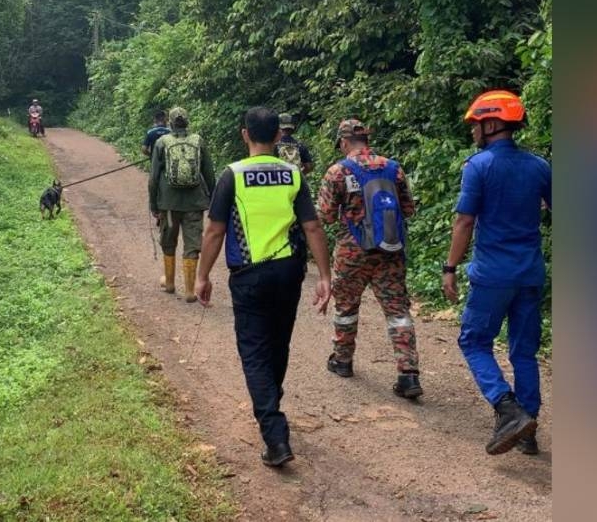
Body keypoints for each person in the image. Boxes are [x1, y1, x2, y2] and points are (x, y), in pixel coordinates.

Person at [195, 106, 332, 468]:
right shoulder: (292, 174)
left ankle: (274, 434)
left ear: (244, 135)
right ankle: (271, 399)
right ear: (277, 136)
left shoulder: (232, 176)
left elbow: (214, 230)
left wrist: (202, 275)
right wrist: (326, 276)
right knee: (278, 342)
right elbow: (313, 227)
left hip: (250, 276)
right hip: (289, 272)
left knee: (254, 351)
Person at [442, 90, 552, 456]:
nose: (473, 130)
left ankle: (507, 409)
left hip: (492, 275)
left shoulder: (479, 166)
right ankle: (529, 427)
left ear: (491, 123)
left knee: (473, 342)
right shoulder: (539, 166)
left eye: (476, 124)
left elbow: (464, 221)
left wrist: (450, 267)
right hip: (530, 273)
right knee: (524, 350)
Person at [317, 119, 422, 399]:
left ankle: (342, 360)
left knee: (346, 307)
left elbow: (325, 215)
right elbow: (408, 209)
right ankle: (408, 374)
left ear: (343, 141)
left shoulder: (338, 171)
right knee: (398, 311)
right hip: (391, 251)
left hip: (352, 252)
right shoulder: (393, 168)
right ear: (367, 139)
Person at [149, 107, 215, 302]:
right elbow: (209, 173)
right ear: (188, 122)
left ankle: (169, 283)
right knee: (192, 244)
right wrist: (212, 198)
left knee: (169, 240)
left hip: (168, 203)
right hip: (194, 202)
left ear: (170, 123)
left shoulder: (162, 143)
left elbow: (153, 179)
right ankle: (189, 291)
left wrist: (154, 205)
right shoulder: (198, 141)